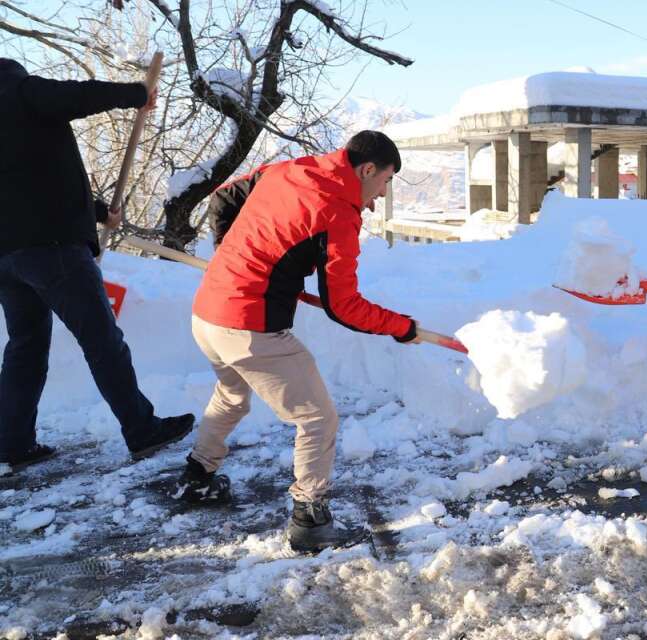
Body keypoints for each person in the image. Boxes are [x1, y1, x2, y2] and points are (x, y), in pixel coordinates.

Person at [174, 130, 428, 553]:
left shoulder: (292, 170)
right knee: (317, 418)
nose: (382, 194)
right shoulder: (338, 214)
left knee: (232, 395)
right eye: (385, 181)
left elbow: (223, 196)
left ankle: (198, 475)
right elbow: (343, 306)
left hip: (207, 314)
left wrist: (228, 254)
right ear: (367, 170)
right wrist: (401, 327)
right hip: (247, 325)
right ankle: (309, 519)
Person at [0, 58, 194, 471]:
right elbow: (77, 96)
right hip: (52, 248)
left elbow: (26, 182)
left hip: (7, 257)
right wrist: (135, 94)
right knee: (102, 339)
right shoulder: (20, 90)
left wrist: (98, 210)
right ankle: (142, 430)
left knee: (25, 348)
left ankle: (12, 442)